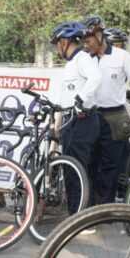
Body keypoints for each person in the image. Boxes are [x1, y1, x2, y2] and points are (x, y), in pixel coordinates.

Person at [82, 15, 130, 205]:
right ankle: (91, 204)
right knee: (91, 161)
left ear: (99, 36)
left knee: (111, 164)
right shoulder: (85, 59)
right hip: (91, 116)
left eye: (88, 41)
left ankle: (106, 205)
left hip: (115, 115)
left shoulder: (122, 57)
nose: (86, 45)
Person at [52, 21, 102, 210]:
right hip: (70, 121)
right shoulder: (71, 64)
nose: (57, 48)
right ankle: (76, 213)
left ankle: (80, 216)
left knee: (78, 169)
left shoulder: (82, 58)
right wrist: (57, 124)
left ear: (64, 41)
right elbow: (64, 96)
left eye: (57, 43)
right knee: (70, 168)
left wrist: (80, 100)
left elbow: (96, 77)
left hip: (83, 121)